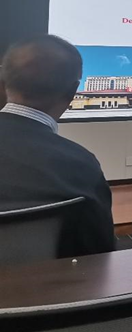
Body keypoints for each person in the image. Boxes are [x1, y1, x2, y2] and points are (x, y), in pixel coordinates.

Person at [0, 35, 115, 256]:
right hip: (51, 278)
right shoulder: (82, 166)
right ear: (72, 92)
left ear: (4, 83)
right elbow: (100, 255)